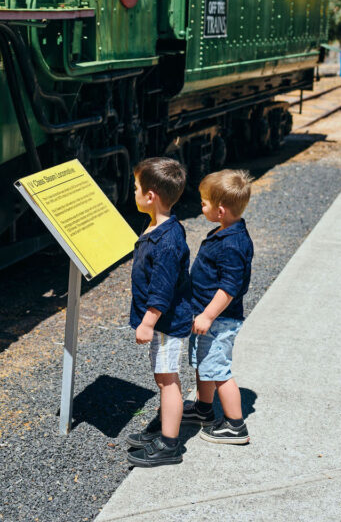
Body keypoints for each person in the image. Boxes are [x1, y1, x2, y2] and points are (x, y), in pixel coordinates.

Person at [125, 157, 193, 467]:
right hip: (163, 322)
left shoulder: (167, 241)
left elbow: (162, 289)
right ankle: (165, 428)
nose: (133, 192)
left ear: (150, 196)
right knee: (162, 376)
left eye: (136, 187)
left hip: (166, 322)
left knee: (168, 380)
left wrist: (148, 322)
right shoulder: (159, 225)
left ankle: (169, 444)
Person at [181, 168, 254, 444]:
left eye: (204, 202)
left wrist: (209, 315)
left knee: (219, 371)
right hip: (206, 316)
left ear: (220, 210)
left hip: (219, 320)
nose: (201, 206)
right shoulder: (226, 231)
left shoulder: (232, 244)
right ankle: (203, 408)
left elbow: (229, 288)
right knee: (205, 365)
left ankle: (236, 426)